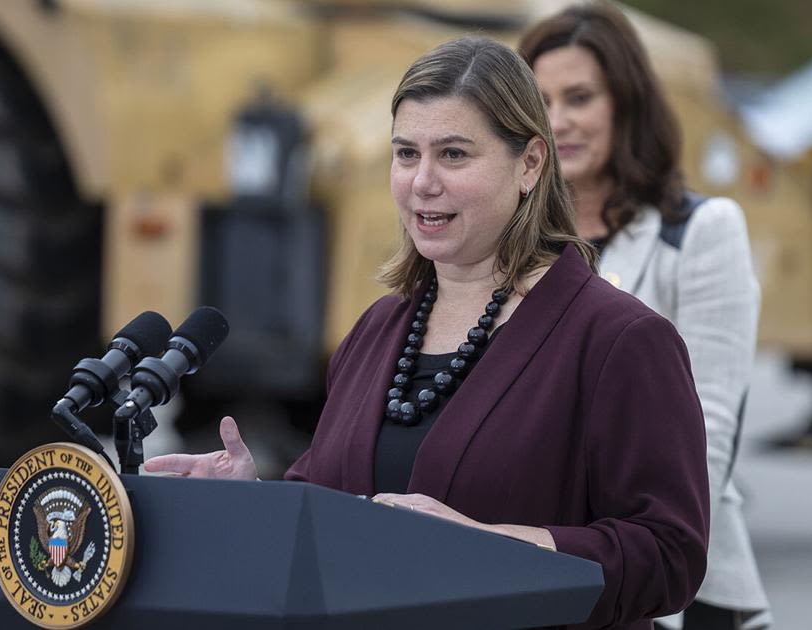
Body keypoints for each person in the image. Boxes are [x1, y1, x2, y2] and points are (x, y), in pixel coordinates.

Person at [146, 37, 709, 629]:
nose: (422, 182)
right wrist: (256, 500)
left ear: (531, 164)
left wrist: (490, 544)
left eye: (455, 155)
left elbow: (670, 557)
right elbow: (332, 510)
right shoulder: (375, 330)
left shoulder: (620, 341)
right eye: (406, 154)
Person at [519, 5, 771, 630]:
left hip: (677, 587)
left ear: (627, 103)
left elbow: (708, 432)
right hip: (538, 568)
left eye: (580, 97)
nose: (558, 121)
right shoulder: (511, 243)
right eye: (541, 101)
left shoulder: (701, 232)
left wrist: (649, 584)